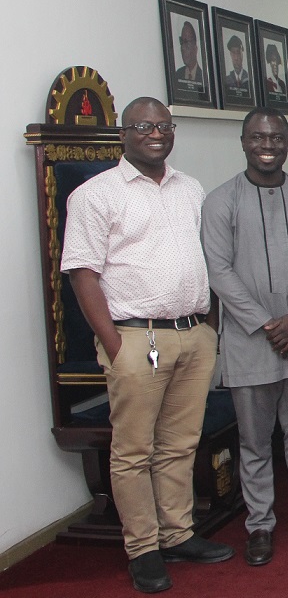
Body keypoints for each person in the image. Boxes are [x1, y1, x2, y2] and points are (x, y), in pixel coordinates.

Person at [61, 97, 233, 593]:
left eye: (164, 125)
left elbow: (207, 257)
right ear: (123, 135)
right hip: (136, 339)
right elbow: (83, 275)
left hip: (194, 335)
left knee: (180, 444)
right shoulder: (96, 195)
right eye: (143, 126)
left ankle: (178, 533)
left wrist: (211, 324)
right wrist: (114, 344)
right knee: (134, 451)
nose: (156, 133)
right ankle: (143, 547)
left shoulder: (191, 188)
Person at [201, 107, 288, 566]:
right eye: (259, 136)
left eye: (277, 137)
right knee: (255, 443)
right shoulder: (220, 201)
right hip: (250, 340)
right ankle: (259, 525)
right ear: (243, 141)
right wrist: (267, 325)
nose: (268, 144)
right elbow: (219, 271)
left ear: (286, 142)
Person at [174, 21, 204, 89]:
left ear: (195, 48)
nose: (183, 48)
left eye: (186, 42)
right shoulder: (177, 75)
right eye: (181, 42)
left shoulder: (203, 79)